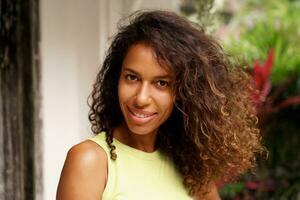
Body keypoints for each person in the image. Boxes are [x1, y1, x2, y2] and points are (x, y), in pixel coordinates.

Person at [56, 10, 264, 200]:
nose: (141, 98)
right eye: (132, 77)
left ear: (185, 92)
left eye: (161, 83)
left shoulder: (187, 166)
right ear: (116, 79)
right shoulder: (90, 161)